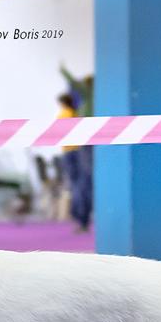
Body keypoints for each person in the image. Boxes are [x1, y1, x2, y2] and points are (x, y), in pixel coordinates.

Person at [57, 93, 91, 232]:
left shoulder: (65, 113)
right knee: (79, 185)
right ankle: (81, 217)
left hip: (71, 153)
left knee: (75, 185)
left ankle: (79, 215)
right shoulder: (74, 113)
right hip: (77, 151)